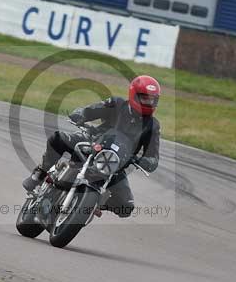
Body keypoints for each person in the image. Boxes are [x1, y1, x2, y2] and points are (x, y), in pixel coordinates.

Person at [23, 75, 161, 218]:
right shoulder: (117, 104)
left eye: (152, 100)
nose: (148, 102)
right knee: (57, 138)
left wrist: (146, 161)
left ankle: (94, 203)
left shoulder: (153, 126)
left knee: (126, 207)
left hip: (116, 165)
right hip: (93, 142)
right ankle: (40, 173)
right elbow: (92, 110)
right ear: (134, 95)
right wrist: (81, 114)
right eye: (145, 98)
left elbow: (153, 157)